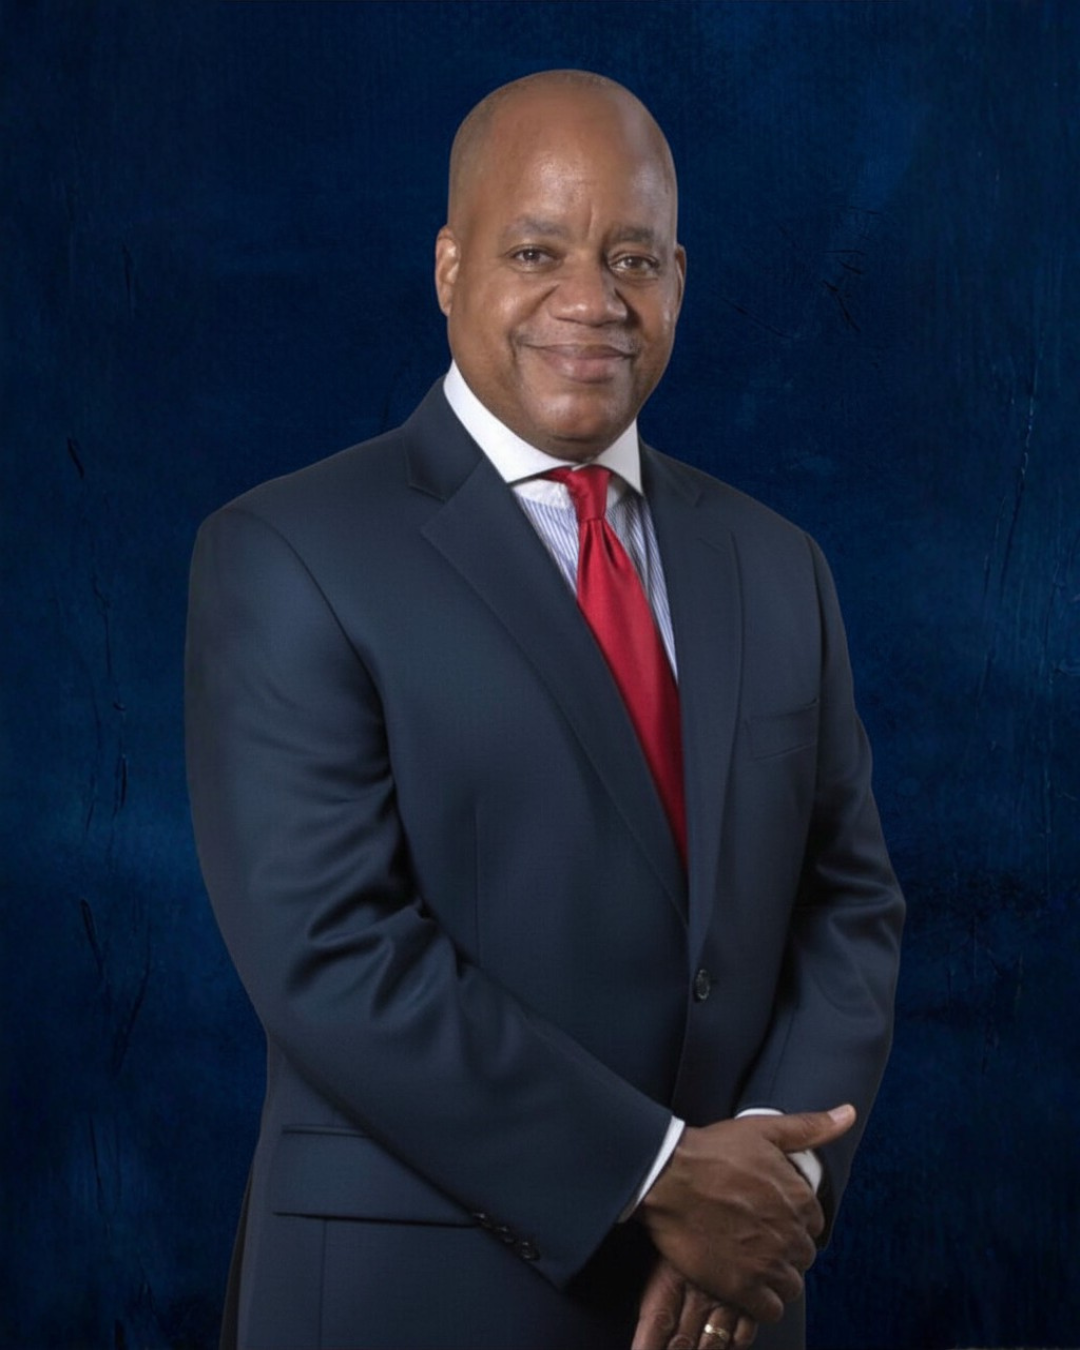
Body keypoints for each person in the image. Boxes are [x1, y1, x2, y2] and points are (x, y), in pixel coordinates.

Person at [185, 69, 904, 1350]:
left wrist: (770, 1184)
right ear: (450, 267)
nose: (594, 300)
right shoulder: (290, 551)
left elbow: (848, 904)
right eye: (537, 251)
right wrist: (662, 1177)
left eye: (634, 257)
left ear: (678, 277)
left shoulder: (778, 562)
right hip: (416, 1295)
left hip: (729, 1303)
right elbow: (331, 955)